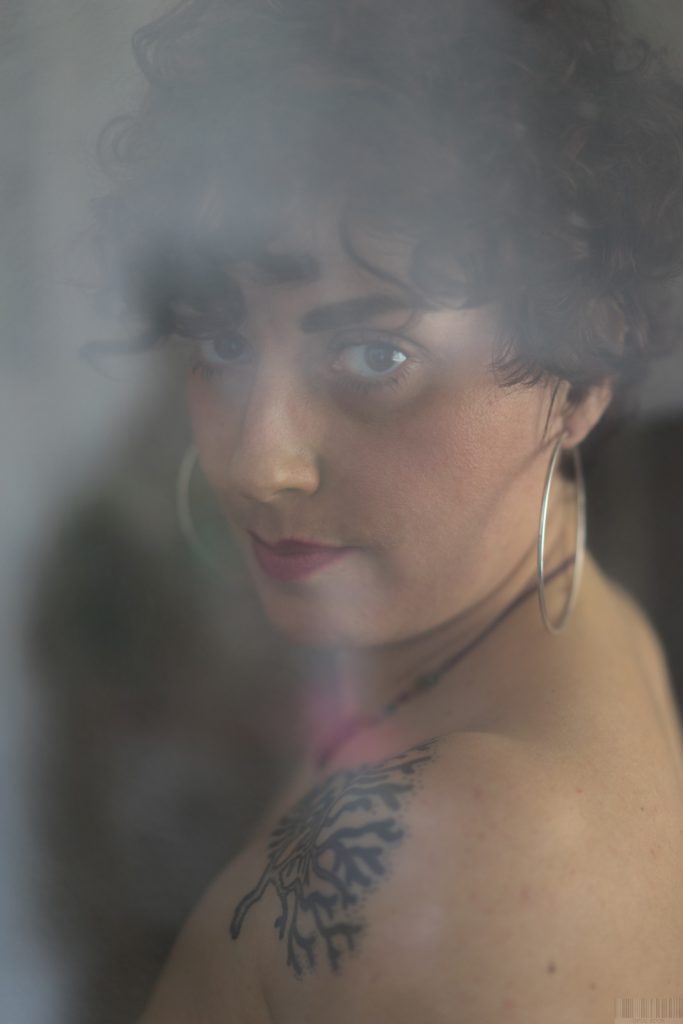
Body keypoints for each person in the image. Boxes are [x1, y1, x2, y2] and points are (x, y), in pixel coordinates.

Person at [92, 0, 683, 1019]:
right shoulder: (569, 621)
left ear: (580, 374)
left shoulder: (466, 870)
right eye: (222, 342)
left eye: (374, 356)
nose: (259, 463)